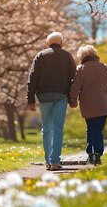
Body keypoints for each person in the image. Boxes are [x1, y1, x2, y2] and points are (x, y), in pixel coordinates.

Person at [26, 32, 76, 171]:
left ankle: (47, 161)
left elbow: (32, 78)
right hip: (61, 95)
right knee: (58, 128)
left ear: (48, 43)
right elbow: (74, 78)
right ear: (61, 42)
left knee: (46, 128)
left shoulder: (40, 56)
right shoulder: (67, 56)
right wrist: (73, 98)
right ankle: (55, 162)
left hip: (44, 96)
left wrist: (30, 99)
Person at [69, 45, 107, 165]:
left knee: (91, 128)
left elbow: (75, 87)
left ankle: (92, 154)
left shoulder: (80, 69)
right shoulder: (104, 67)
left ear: (82, 56)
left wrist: (73, 100)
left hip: (88, 105)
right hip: (103, 104)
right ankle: (96, 153)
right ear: (95, 54)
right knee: (97, 129)